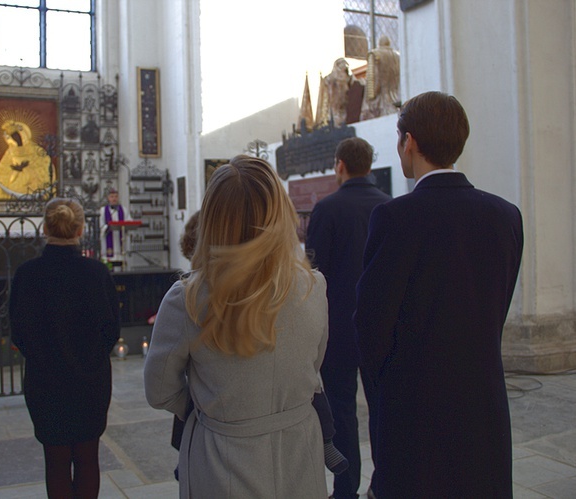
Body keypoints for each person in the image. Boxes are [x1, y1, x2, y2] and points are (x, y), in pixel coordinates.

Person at [354, 91, 524, 498]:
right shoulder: (505, 215)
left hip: (416, 415)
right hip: (484, 410)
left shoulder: (396, 217)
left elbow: (371, 325)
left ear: (408, 142)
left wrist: (386, 393)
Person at [144, 155, 332, 498]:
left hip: (223, 460)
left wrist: (214, 405)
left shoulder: (188, 298)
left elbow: (159, 389)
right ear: (280, 213)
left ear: (212, 218)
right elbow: (313, 365)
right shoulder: (313, 286)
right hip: (298, 452)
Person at [10, 198, 120, 499]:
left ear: (44, 227)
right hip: (90, 382)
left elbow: (17, 332)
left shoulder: (28, 274)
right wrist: (90, 357)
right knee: (87, 458)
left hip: (45, 381)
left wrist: (43, 356)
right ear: (81, 229)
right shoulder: (96, 273)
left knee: (56, 462)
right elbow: (111, 329)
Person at [305, 137, 391, 499]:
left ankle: (345, 490)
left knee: (341, 415)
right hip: (381, 327)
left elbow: (314, 271)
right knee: (383, 410)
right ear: (369, 165)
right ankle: (383, 484)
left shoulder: (328, 209)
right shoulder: (389, 208)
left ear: (339, 165)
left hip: (338, 328)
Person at [0, 120, 55, 199]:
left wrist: (28, 168)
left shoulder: (36, 151)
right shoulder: (10, 153)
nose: (15, 139)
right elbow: (3, 172)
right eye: (12, 137)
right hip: (14, 189)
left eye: (16, 136)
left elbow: (44, 165)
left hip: (33, 186)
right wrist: (16, 170)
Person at [99, 188, 131, 265]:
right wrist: (107, 227)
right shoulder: (103, 210)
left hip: (120, 241)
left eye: (116, 196)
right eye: (112, 197)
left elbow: (129, 221)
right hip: (109, 240)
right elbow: (101, 225)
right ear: (108, 198)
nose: (114, 199)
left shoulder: (123, 210)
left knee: (121, 263)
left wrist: (125, 226)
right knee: (109, 264)